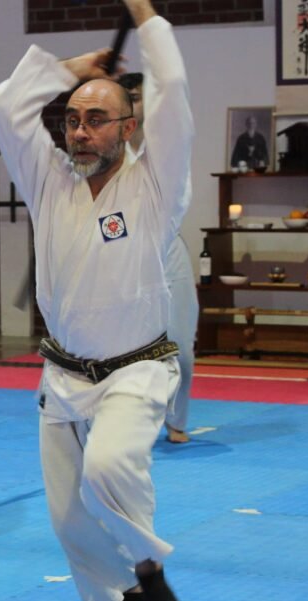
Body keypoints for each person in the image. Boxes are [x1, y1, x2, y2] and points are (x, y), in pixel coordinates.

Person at [0, 0, 189, 601]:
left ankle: (151, 571)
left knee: (109, 466)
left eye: (96, 120)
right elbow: (3, 108)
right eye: (72, 120)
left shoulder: (156, 184)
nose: (79, 132)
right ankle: (114, 595)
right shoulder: (48, 179)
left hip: (136, 368)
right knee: (67, 514)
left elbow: (174, 88)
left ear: (129, 128)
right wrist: (67, 69)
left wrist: (145, 13)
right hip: (64, 375)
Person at [119, 72, 197, 445]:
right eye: (127, 97)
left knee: (180, 344)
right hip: (122, 255)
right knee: (124, 347)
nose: (133, 104)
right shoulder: (108, 151)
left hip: (167, 248)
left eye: (138, 96)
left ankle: (176, 419)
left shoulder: (168, 145)